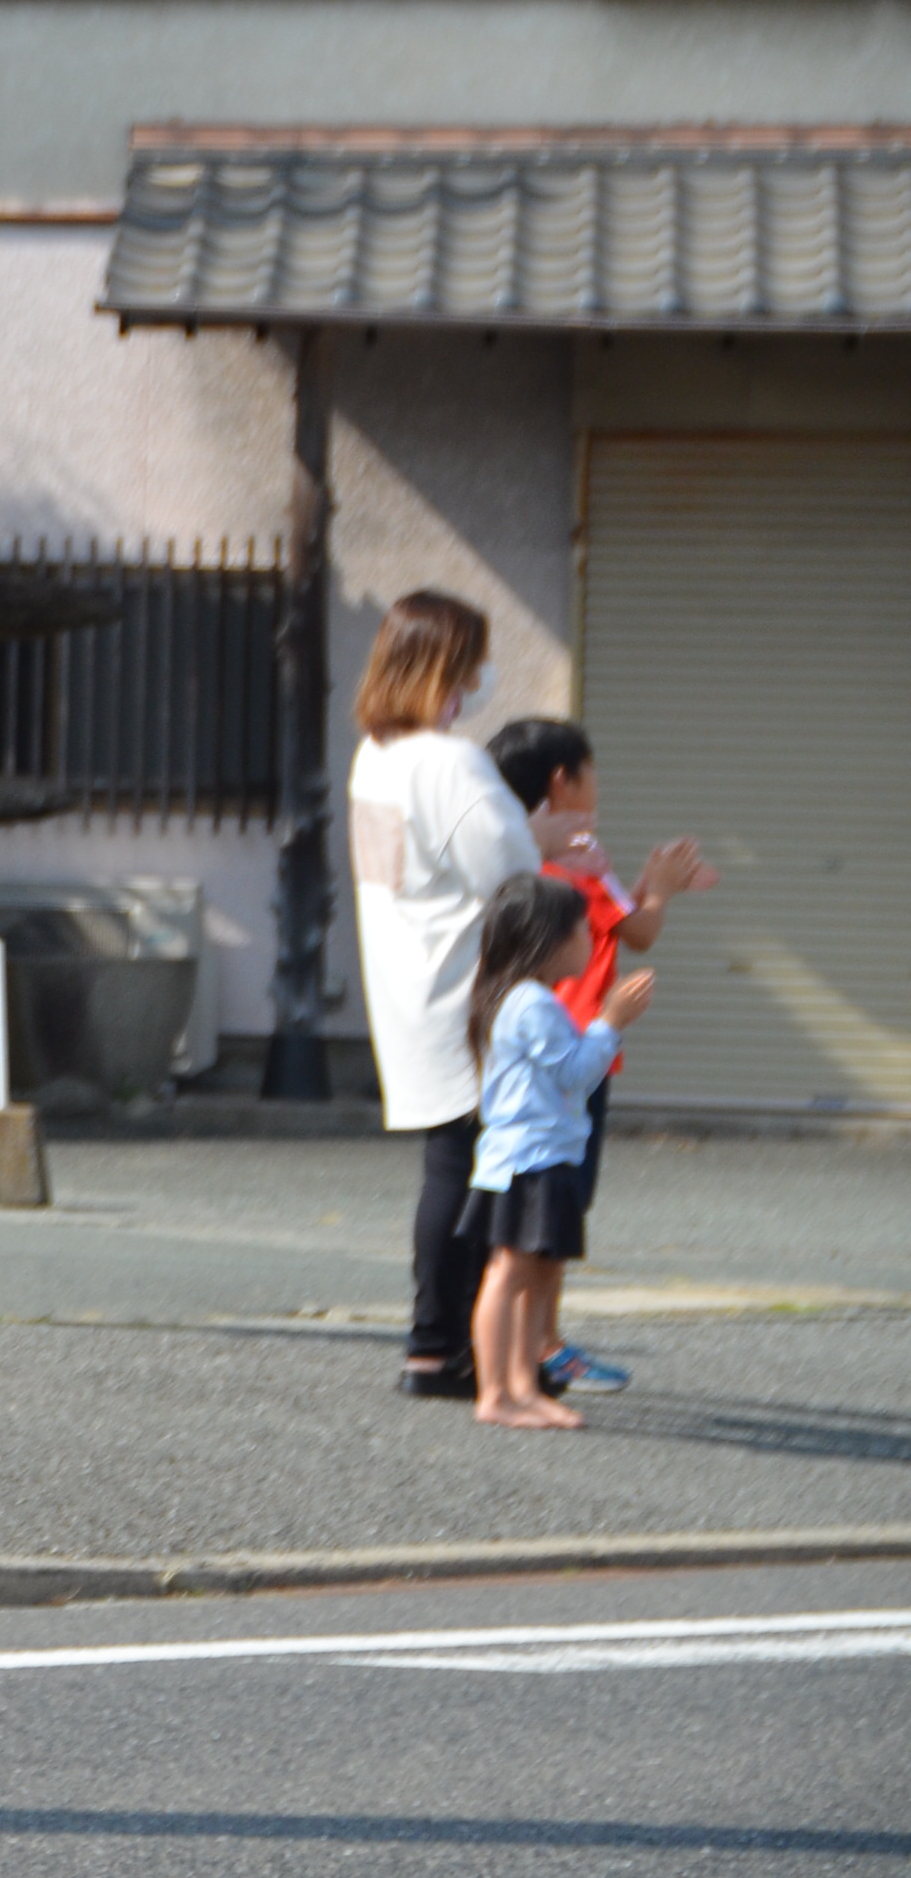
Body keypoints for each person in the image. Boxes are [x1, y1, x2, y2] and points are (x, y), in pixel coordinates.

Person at [484, 717, 718, 1396]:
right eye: (592, 778)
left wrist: (650, 883)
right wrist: (658, 887)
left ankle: (524, 1353)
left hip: (531, 1049)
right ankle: (541, 1350)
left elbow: (631, 924)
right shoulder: (578, 858)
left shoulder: (515, 854)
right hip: (580, 1046)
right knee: (551, 1213)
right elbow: (639, 929)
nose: (596, 792)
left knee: (532, 1217)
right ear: (563, 781)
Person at [346, 590, 534, 1402]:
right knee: (472, 1169)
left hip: (405, 978)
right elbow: (512, 875)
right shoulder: (449, 762)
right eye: (473, 660)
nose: (483, 675)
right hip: (468, 986)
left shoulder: (375, 755)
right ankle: (447, 1345)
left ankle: (436, 1344)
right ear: (446, 667)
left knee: (446, 1163)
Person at [460, 871, 655, 1430]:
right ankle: (495, 1393)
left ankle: (524, 1385)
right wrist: (610, 1022)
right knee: (511, 1273)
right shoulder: (531, 1004)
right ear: (546, 939)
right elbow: (575, 1075)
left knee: (538, 1275)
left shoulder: (525, 998)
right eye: (581, 929)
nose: (591, 939)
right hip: (529, 1159)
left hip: (542, 1156)